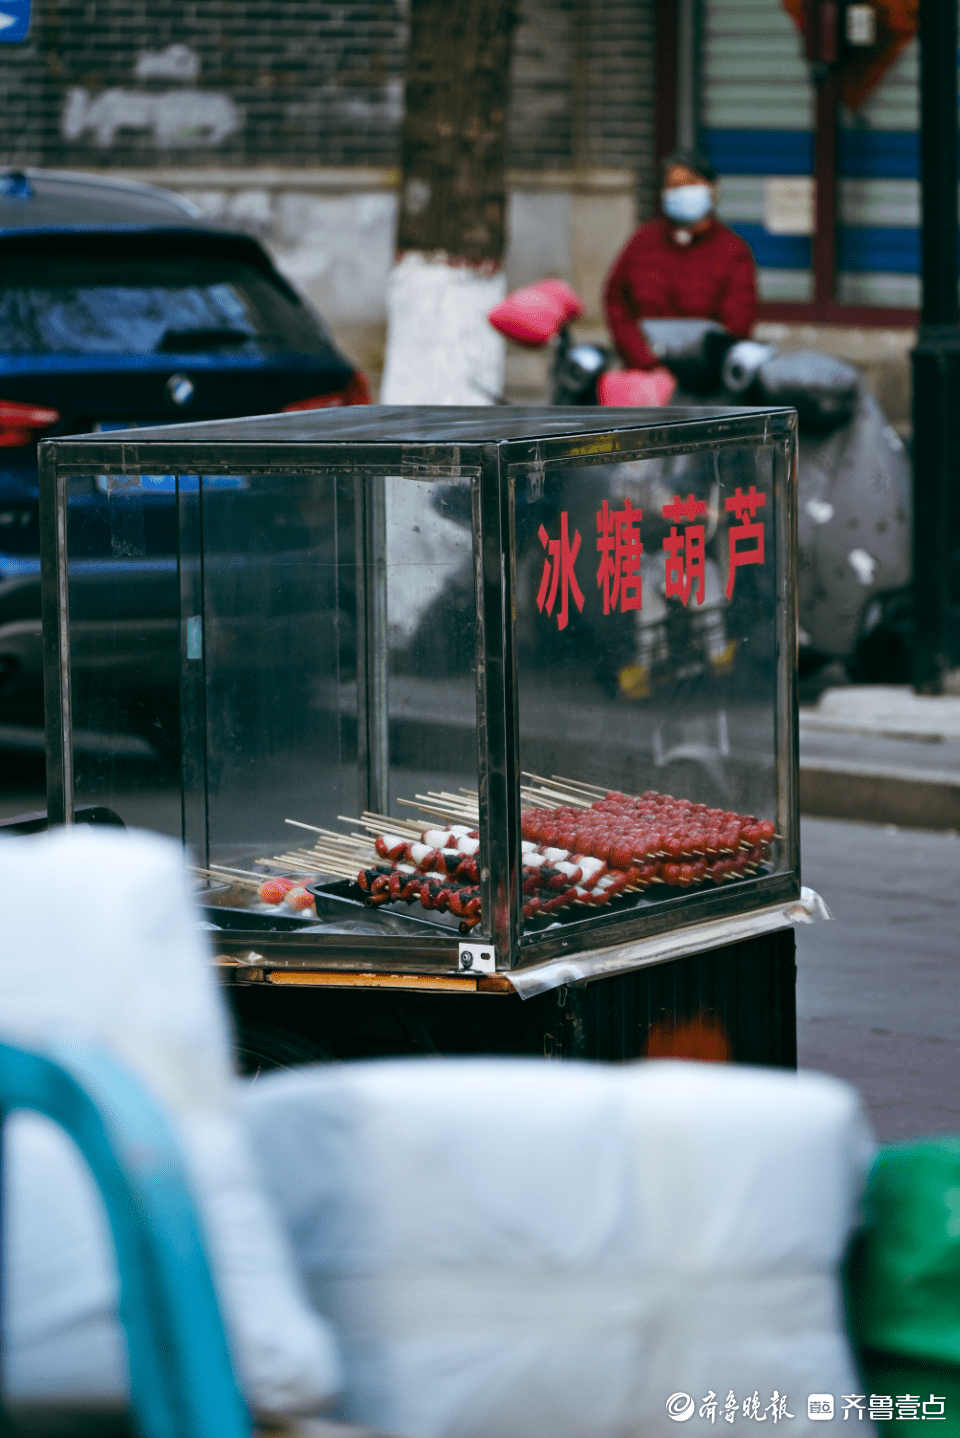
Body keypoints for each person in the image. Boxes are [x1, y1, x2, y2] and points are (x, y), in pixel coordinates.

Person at [603, 148, 758, 371]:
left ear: (712, 189)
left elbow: (737, 325)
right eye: (673, 186)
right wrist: (645, 360)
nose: (681, 192)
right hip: (645, 375)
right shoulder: (643, 241)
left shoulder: (733, 251)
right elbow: (616, 301)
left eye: (690, 183)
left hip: (708, 381)